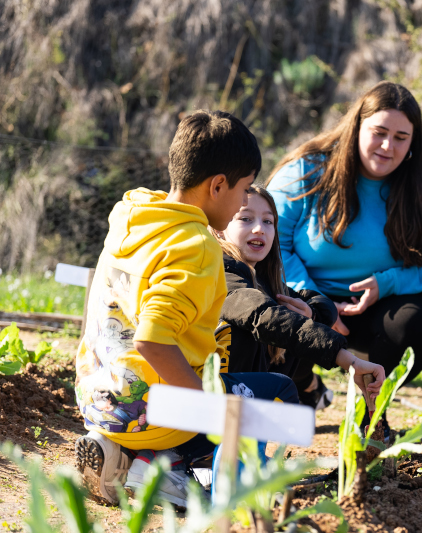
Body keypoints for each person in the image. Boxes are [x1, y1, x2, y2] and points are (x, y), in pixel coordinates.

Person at [73, 111, 383, 508]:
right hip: (151, 410)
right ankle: (187, 477)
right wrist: (207, 411)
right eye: (244, 191)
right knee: (277, 396)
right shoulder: (198, 248)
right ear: (218, 186)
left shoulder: (133, 211)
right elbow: (153, 340)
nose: (245, 201)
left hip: (96, 398)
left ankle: (130, 455)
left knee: (232, 385)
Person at [266, 81, 422, 406]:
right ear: (356, 127)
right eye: (379, 132)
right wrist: (318, 303)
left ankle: (368, 411)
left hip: (379, 307)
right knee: (268, 308)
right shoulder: (306, 171)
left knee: (420, 319)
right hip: (305, 297)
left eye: (401, 138)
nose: (388, 146)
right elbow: (271, 244)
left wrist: (387, 283)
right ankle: (304, 385)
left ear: (413, 143)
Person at [211, 186, 386, 409]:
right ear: (219, 228)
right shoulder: (220, 274)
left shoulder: (264, 281)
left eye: (268, 221)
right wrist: (348, 361)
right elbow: (265, 317)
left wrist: (310, 312)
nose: (259, 229)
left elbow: (316, 301)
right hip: (203, 397)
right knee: (282, 356)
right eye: (245, 218)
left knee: (294, 319)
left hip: (238, 398)